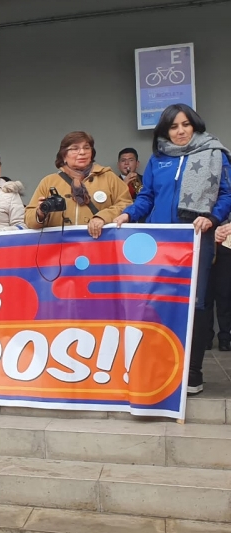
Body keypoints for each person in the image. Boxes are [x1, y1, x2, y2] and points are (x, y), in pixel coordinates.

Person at [115, 104, 231, 395]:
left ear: (195, 125)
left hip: (197, 237)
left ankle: (192, 372)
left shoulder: (215, 153)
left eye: (185, 125)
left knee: (196, 302)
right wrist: (128, 214)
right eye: (173, 126)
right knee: (159, 301)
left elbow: (227, 194)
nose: (180, 131)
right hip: (160, 241)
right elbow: (147, 197)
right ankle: (164, 366)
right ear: (165, 131)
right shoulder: (159, 158)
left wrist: (212, 217)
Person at [24, 131, 132, 239]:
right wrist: (40, 213)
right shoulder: (49, 182)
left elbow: (127, 205)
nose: (82, 152)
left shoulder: (109, 177)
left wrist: (103, 217)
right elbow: (28, 219)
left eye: (86, 148)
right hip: (59, 245)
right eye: (75, 148)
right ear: (64, 156)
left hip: (99, 243)